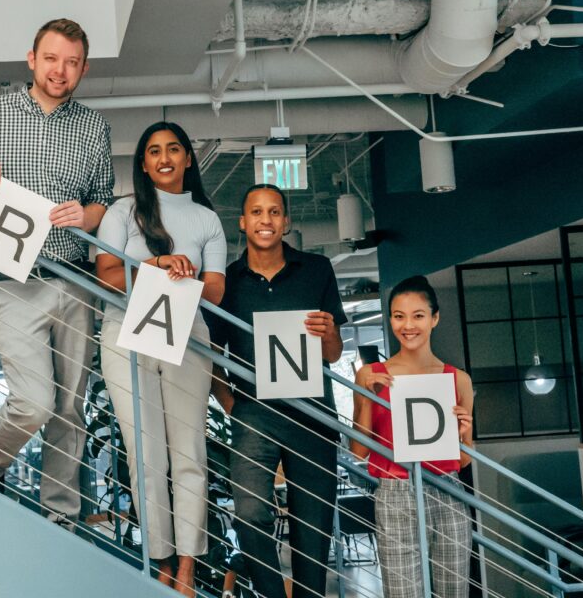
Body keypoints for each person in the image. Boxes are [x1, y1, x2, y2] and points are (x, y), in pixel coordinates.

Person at [0, 18, 113, 527]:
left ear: (83, 68)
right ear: (32, 59)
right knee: (34, 402)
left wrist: (88, 215)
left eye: (73, 62)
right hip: (10, 279)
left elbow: (102, 201)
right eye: (52, 58)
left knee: (70, 409)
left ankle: (60, 518)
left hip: (74, 278)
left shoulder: (94, 127)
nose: (61, 70)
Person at [95, 121, 227, 596]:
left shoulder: (206, 219)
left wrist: (184, 275)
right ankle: (161, 560)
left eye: (174, 149)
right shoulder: (123, 211)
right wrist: (152, 266)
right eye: (154, 150)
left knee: (188, 453)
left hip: (187, 336)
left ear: (189, 158)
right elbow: (106, 276)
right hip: (125, 336)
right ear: (144, 162)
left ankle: (188, 567)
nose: (165, 157)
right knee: (145, 456)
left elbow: (214, 291)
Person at [209, 183, 345, 598]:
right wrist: (232, 406)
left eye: (273, 212)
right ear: (243, 222)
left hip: (313, 414)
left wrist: (328, 334)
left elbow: (335, 354)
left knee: (314, 526)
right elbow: (212, 354)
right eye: (256, 212)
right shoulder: (226, 281)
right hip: (254, 413)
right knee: (249, 514)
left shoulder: (318, 269)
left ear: (286, 222)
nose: (265, 220)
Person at [351, 275, 474, 598]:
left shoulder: (457, 379)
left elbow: (462, 460)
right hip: (395, 491)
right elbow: (358, 451)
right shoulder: (371, 373)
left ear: (434, 318)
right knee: (403, 593)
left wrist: (465, 431)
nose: (408, 325)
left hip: (448, 489)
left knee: (454, 591)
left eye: (418, 315)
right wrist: (366, 398)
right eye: (398, 316)